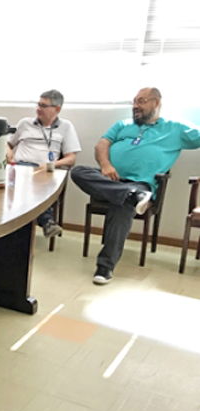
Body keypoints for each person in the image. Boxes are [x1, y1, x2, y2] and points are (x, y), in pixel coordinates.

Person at [71, 87, 200, 285]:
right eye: (134, 101)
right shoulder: (123, 124)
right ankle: (129, 195)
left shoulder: (175, 127)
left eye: (141, 101)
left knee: (123, 205)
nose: (135, 106)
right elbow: (101, 145)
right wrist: (105, 165)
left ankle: (104, 267)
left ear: (156, 103)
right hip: (111, 181)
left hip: (142, 184)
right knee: (78, 171)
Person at [7, 90, 81, 239]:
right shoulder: (25, 123)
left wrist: (50, 165)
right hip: (20, 167)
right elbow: (7, 143)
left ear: (57, 109)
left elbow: (71, 158)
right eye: (38, 105)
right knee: (24, 183)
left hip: (45, 171)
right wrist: (8, 152)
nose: (38, 109)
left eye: (44, 106)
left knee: (37, 185)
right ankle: (47, 222)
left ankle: (31, 228)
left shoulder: (66, 127)